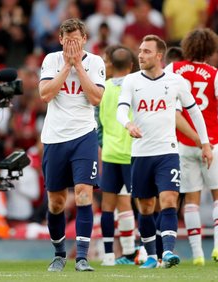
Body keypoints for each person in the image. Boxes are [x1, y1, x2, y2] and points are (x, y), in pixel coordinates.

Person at [117, 34, 212, 269]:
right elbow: (121, 110)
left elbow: (194, 112)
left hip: (167, 151)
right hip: (140, 153)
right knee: (146, 207)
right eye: (140, 50)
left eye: (146, 51)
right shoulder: (131, 81)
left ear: (159, 56)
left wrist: (205, 142)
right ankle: (151, 256)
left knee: (169, 200)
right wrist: (128, 124)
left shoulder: (176, 81)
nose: (140, 55)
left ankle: (168, 252)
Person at [165, 28, 218, 266]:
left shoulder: (173, 70)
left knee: (191, 200)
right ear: (211, 49)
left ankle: (197, 255)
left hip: (183, 142)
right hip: (212, 141)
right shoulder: (215, 74)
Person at [39, 18, 105, 272]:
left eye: (76, 40)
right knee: (56, 202)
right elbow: (45, 94)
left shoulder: (96, 62)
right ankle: (59, 254)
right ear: (60, 40)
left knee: (83, 193)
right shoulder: (51, 61)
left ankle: (83, 258)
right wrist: (67, 67)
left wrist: (79, 66)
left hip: (83, 135)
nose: (71, 45)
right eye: (67, 41)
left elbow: (96, 98)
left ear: (85, 39)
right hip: (55, 137)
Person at [98, 45, 138, 266]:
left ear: (111, 65)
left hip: (111, 153)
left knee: (108, 206)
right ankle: (138, 251)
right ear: (132, 65)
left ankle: (109, 256)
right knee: (141, 204)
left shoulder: (103, 89)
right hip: (133, 152)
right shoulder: (137, 86)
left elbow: (99, 121)